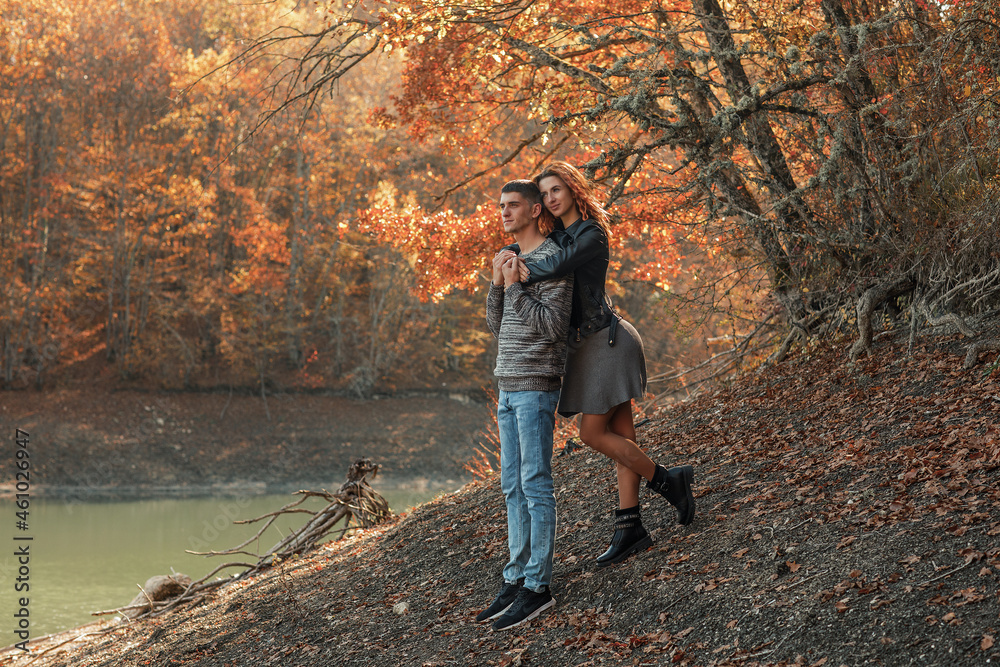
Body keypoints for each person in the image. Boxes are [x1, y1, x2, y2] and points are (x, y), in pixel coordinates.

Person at [516, 161, 696, 568]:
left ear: (573, 189)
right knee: (622, 436)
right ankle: (630, 526)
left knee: (592, 434)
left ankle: (669, 482)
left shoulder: (591, 234)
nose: (550, 198)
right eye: (544, 194)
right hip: (590, 345)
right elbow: (541, 258)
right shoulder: (558, 235)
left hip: (608, 342)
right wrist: (515, 254)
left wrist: (518, 270)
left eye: (556, 189)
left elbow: (554, 267)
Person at [476, 180, 574, 631]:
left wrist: (515, 285)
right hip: (507, 385)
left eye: (512, 205)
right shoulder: (510, 258)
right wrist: (498, 284)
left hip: (536, 386)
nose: (504, 212)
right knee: (512, 486)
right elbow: (498, 326)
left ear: (536, 210)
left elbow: (552, 328)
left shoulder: (554, 262)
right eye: (500, 206)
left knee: (535, 485)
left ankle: (538, 587)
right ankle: (515, 578)